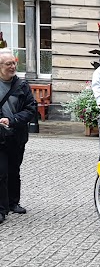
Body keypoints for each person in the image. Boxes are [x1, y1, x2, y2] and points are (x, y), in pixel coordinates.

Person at [0, 48, 36, 223]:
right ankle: (2, 208)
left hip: (16, 135)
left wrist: (12, 120)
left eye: (14, 63)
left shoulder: (22, 85)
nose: (13, 66)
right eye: (9, 64)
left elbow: (31, 109)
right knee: (1, 172)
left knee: (14, 170)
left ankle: (13, 202)